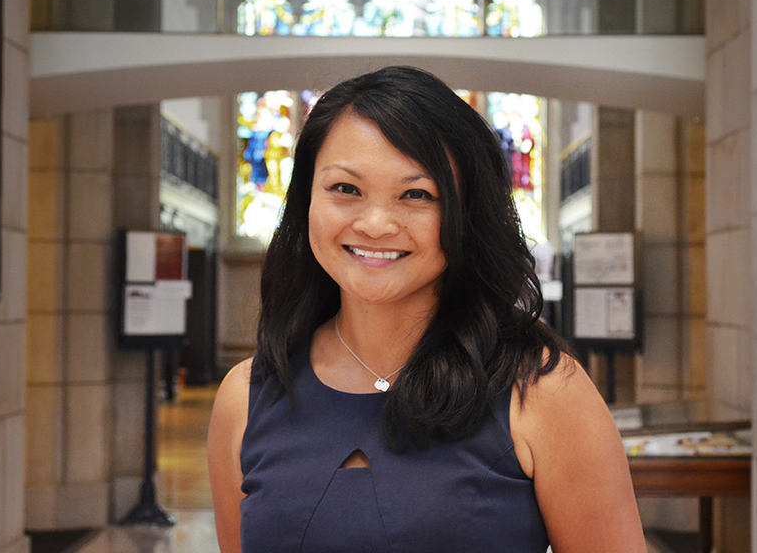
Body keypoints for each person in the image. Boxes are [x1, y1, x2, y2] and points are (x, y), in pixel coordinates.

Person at [208, 66, 646, 552]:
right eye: (345, 189)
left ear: (466, 216)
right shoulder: (246, 397)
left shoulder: (541, 392)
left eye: (417, 194)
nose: (375, 224)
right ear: (305, 200)